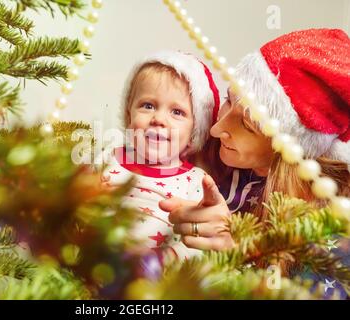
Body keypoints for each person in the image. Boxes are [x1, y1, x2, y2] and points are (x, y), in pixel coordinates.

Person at [159, 29, 350, 254]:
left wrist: (239, 250)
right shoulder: (209, 154)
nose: (216, 129)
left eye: (247, 126)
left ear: (286, 150)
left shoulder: (328, 224)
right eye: (229, 101)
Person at [100, 50, 220, 264]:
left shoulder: (197, 181)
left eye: (177, 112)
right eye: (148, 106)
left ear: (194, 130)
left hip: (158, 278)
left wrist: (170, 259)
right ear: (129, 116)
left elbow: (200, 239)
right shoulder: (106, 158)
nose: (159, 119)